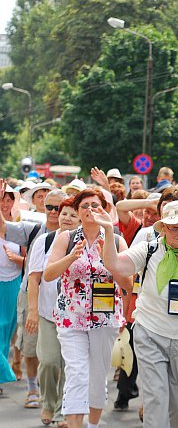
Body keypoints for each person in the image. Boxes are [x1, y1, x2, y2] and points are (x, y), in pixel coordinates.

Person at [98, 200, 178, 428]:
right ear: (163, 228)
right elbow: (115, 265)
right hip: (149, 335)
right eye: (174, 228)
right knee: (157, 399)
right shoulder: (149, 249)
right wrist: (109, 231)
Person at [43, 189, 132, 428]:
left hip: (105, 318)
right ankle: (74, 425)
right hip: (71, 317)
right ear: (78, 212)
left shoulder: (116, 240)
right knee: (77, 372)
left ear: (105, 210)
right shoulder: (66, 238)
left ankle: (92, 424)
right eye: (85, 206)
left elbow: (127, 284)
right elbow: (49, 274)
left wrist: (108, 259)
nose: (90, 210)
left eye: (96, 205)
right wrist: (70, 257)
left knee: (97, 373)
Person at [0, 183, 65, 409]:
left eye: (59, 207)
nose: (54, 212)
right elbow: (2, 228)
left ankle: (58, 398)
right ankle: (32, 389)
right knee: (30, 346)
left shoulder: (76, 233)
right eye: (50, 207)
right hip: (31, 296)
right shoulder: (34, 229)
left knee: (59, 356)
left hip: (66, 301)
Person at [25, 196, 80, 427]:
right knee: (49, 362)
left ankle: (61, 411)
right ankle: (48, 403)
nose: (66, 217)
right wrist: (33, 311)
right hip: (48, 314)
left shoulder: (87, 243)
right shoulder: (44, 242)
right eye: (63, 212)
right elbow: (34, 279)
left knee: (70, 366)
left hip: (75, 317)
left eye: (72, 214)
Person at [0, 184, 23, 394]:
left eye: (9, 200)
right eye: (2, 199)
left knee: (6, 331)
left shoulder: (20, 226)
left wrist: (17, 259)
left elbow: (28, 259)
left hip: (13, 283)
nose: (5, 203)